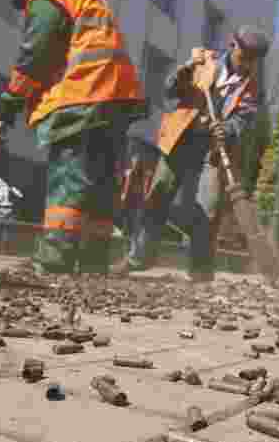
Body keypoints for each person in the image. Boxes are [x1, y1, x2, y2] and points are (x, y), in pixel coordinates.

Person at [0, 0, 145, 276]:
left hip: (85, 92)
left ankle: (53, 260)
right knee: (101, 179)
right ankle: (93, 261)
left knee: (69, 173)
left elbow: (36, 51)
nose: (22, 3)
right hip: (115, 95)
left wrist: (11, 97)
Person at [112, 28, 268, 282]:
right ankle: (138, 258)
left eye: (252, 59)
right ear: (232, 45)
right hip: (180, 139)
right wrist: (185, 71)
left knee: (207, 207)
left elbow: (244, 119)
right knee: (158, 196)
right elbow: (170, 91)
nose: (246, 63)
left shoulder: (253, 87)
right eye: (244, 55)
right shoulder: (203, 64)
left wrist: (227, 128)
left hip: (212, 150)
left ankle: (200, 272)